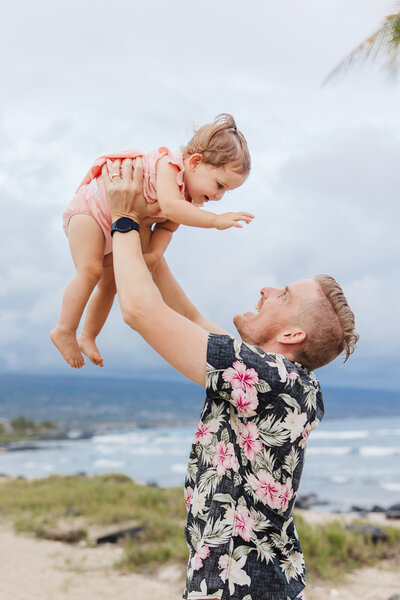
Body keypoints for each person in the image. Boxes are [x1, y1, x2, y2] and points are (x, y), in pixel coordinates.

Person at [102, 159, 359, 600]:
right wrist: (151, 230)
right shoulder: (280, 381)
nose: (264, 290)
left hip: (238, 587)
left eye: (283, 295)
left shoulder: (271, 377)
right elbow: (188, 318)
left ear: (293, 335)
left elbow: (141, 312)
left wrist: (123, 220)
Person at [50, 114, 253, 369]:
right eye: (220, 185)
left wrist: (154, 255)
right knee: (89, 270)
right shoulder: (169, 166)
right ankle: (64, 329)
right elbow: (170, 207)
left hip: (115, 223)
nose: (219, 196)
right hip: (90, 211)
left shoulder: (188, 199)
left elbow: (167, 227)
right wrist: (215, 220)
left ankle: (87, 335)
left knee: (110, 284)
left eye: (226, 192)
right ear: (195, 162)